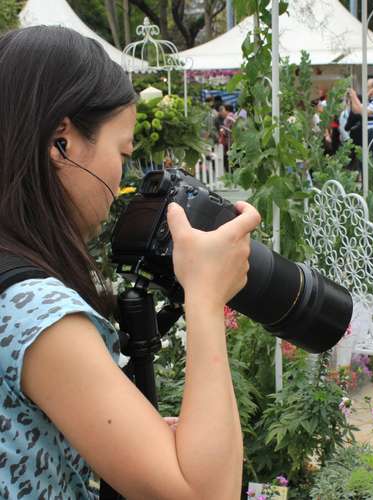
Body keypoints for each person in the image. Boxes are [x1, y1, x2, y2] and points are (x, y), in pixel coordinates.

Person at [0, 26, 260, 499]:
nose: (123, 174)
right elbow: (205, 494)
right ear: (61, 143)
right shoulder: (35, 312)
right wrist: (204, 295)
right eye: (123, 151)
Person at [349, 78, 373, 163]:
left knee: (372, 155)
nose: (366, 89)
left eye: (368, 87)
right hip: (370, 131)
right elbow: (356, 110)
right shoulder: (372, 100)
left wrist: (355, 96)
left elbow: (365, 112)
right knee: (368, 156)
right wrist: (352, 97)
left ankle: (372, 171)